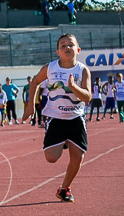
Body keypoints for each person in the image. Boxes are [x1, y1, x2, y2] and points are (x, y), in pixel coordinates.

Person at [22, 33, 92, 203]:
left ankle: (64, 189)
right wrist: (30, 106)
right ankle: (64, 141)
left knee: (78, 157)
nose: (67, 48)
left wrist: (73, 87)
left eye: (70, 45)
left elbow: (87, 97)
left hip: (75, 117)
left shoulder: (82, 70)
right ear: (57, 51)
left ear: (78, 49)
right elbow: (35, 82)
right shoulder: (50, 68)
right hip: (55, 117)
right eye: (63, 45)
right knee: (51, 157)